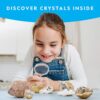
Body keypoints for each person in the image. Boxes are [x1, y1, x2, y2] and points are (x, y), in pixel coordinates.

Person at [9, 13, 87, 96]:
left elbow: (82, 83)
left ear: (63, 42)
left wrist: (54, 85)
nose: (46, 51)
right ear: (34, 40)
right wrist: (27, 85)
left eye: (53, 45)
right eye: (39, 44)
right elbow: (17, 80)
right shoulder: (32, 50)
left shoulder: (69, 51)